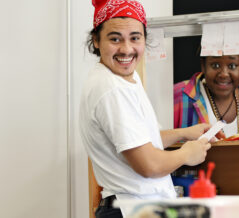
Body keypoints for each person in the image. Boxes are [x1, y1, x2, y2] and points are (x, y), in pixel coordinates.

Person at [79, 1, 223, 217]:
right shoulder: (110, 89)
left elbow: (140, 139)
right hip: (130, 209)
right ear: (96, 40)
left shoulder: (124, 77)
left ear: (144, 39)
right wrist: (186, 153)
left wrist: (184, 133)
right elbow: (149, 164)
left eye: (135, 38)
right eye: (115, 38)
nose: (126, 49)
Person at [174, 54, 239, 138]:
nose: (224, 74)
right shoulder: (178, 97)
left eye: (232, 66)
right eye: (215, 65)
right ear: (203, 66)